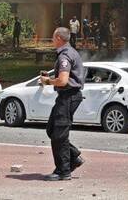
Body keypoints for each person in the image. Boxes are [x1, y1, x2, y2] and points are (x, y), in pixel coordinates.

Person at [40, 27, 85, 181]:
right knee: (52, 129)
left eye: (53, 37)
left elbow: (63, 81)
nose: (52, 40)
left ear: (58, 38)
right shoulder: (70, 52)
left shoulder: (65, 55)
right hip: (67, 96)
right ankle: (74, 157)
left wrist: (47, 81)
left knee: (59, 134)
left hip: (68, 96)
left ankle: (63, 171)